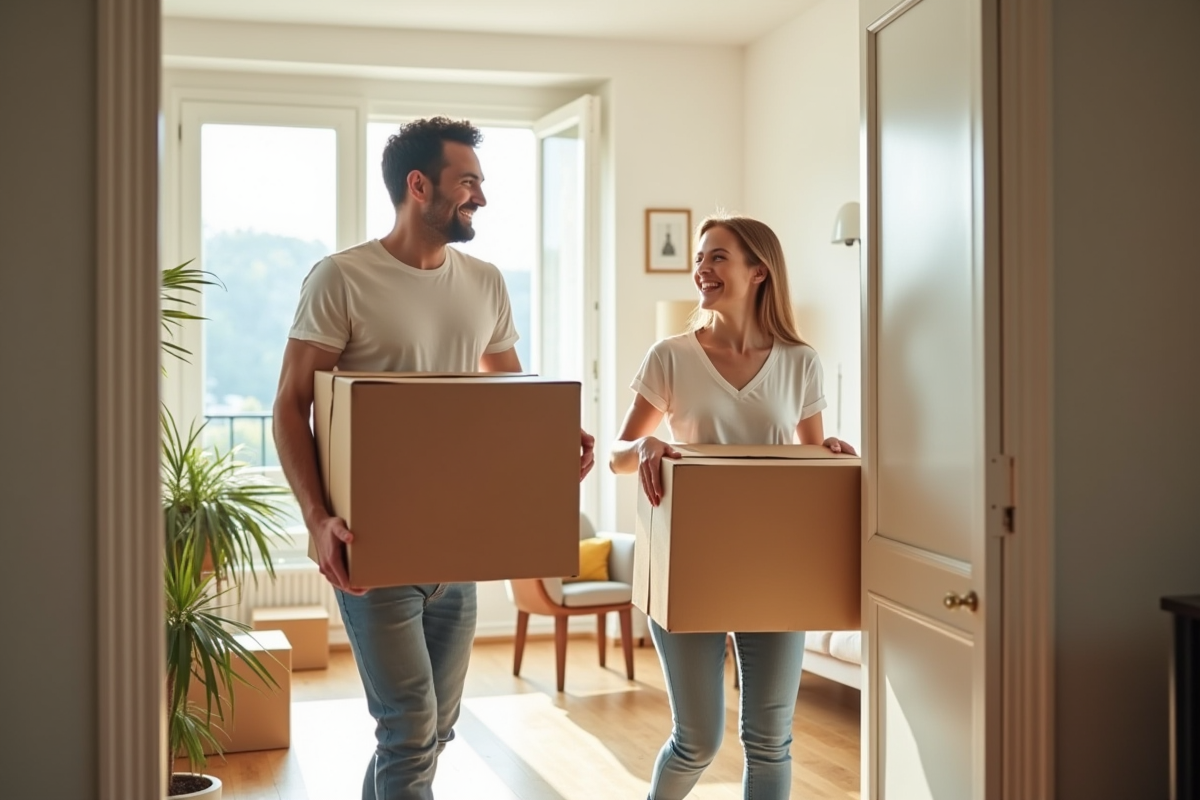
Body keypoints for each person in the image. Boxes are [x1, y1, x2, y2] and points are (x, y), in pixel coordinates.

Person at [272, 117, 595, 800]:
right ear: (419, 186)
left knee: (433, 731)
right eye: (468, 182)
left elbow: (510, 395)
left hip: (458, 544)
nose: (482, 197)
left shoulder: (485, 282)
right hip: (372, 545)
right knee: (410, 728)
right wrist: (316, 519)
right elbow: (291, 405)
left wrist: (556, 439)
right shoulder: (342, 278)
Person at [610, 214, 855, 800]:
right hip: (687, 563)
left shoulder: (800, 361)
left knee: (770, 741)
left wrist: (831, 453)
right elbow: (617, 456)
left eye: (717, 256)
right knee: (696, 740)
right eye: (699, 258)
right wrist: (644, 445)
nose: (702, 269)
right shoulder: (670, 356)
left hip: (775, 565)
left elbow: (808, 459)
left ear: (758, 271)